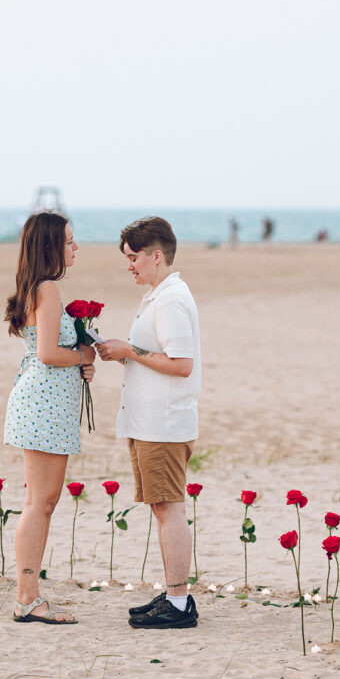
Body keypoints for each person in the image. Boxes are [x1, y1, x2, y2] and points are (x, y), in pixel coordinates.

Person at [97, 216, 201, 629]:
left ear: (156, 256)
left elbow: (181, 364)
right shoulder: (159, 295)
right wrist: (123, 352)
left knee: (168, 507)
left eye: (134, 257)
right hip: (148, 421)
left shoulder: (172, 299)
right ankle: (175, 595)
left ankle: (178, 603)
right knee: (162, 506)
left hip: (164, 423)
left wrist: (131, 351)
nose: (129, 266)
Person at [4, 212, 95, 624]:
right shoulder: (48, 289)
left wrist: (78, 362)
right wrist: (84, 356)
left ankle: (29, 594)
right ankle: (27, 597)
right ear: (48, 247)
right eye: (70, 241)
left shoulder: (35, 288)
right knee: (40, 502)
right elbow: (47, 353)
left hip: (44, 400)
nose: (76, 248)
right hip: (43, 401)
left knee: (41, 501)